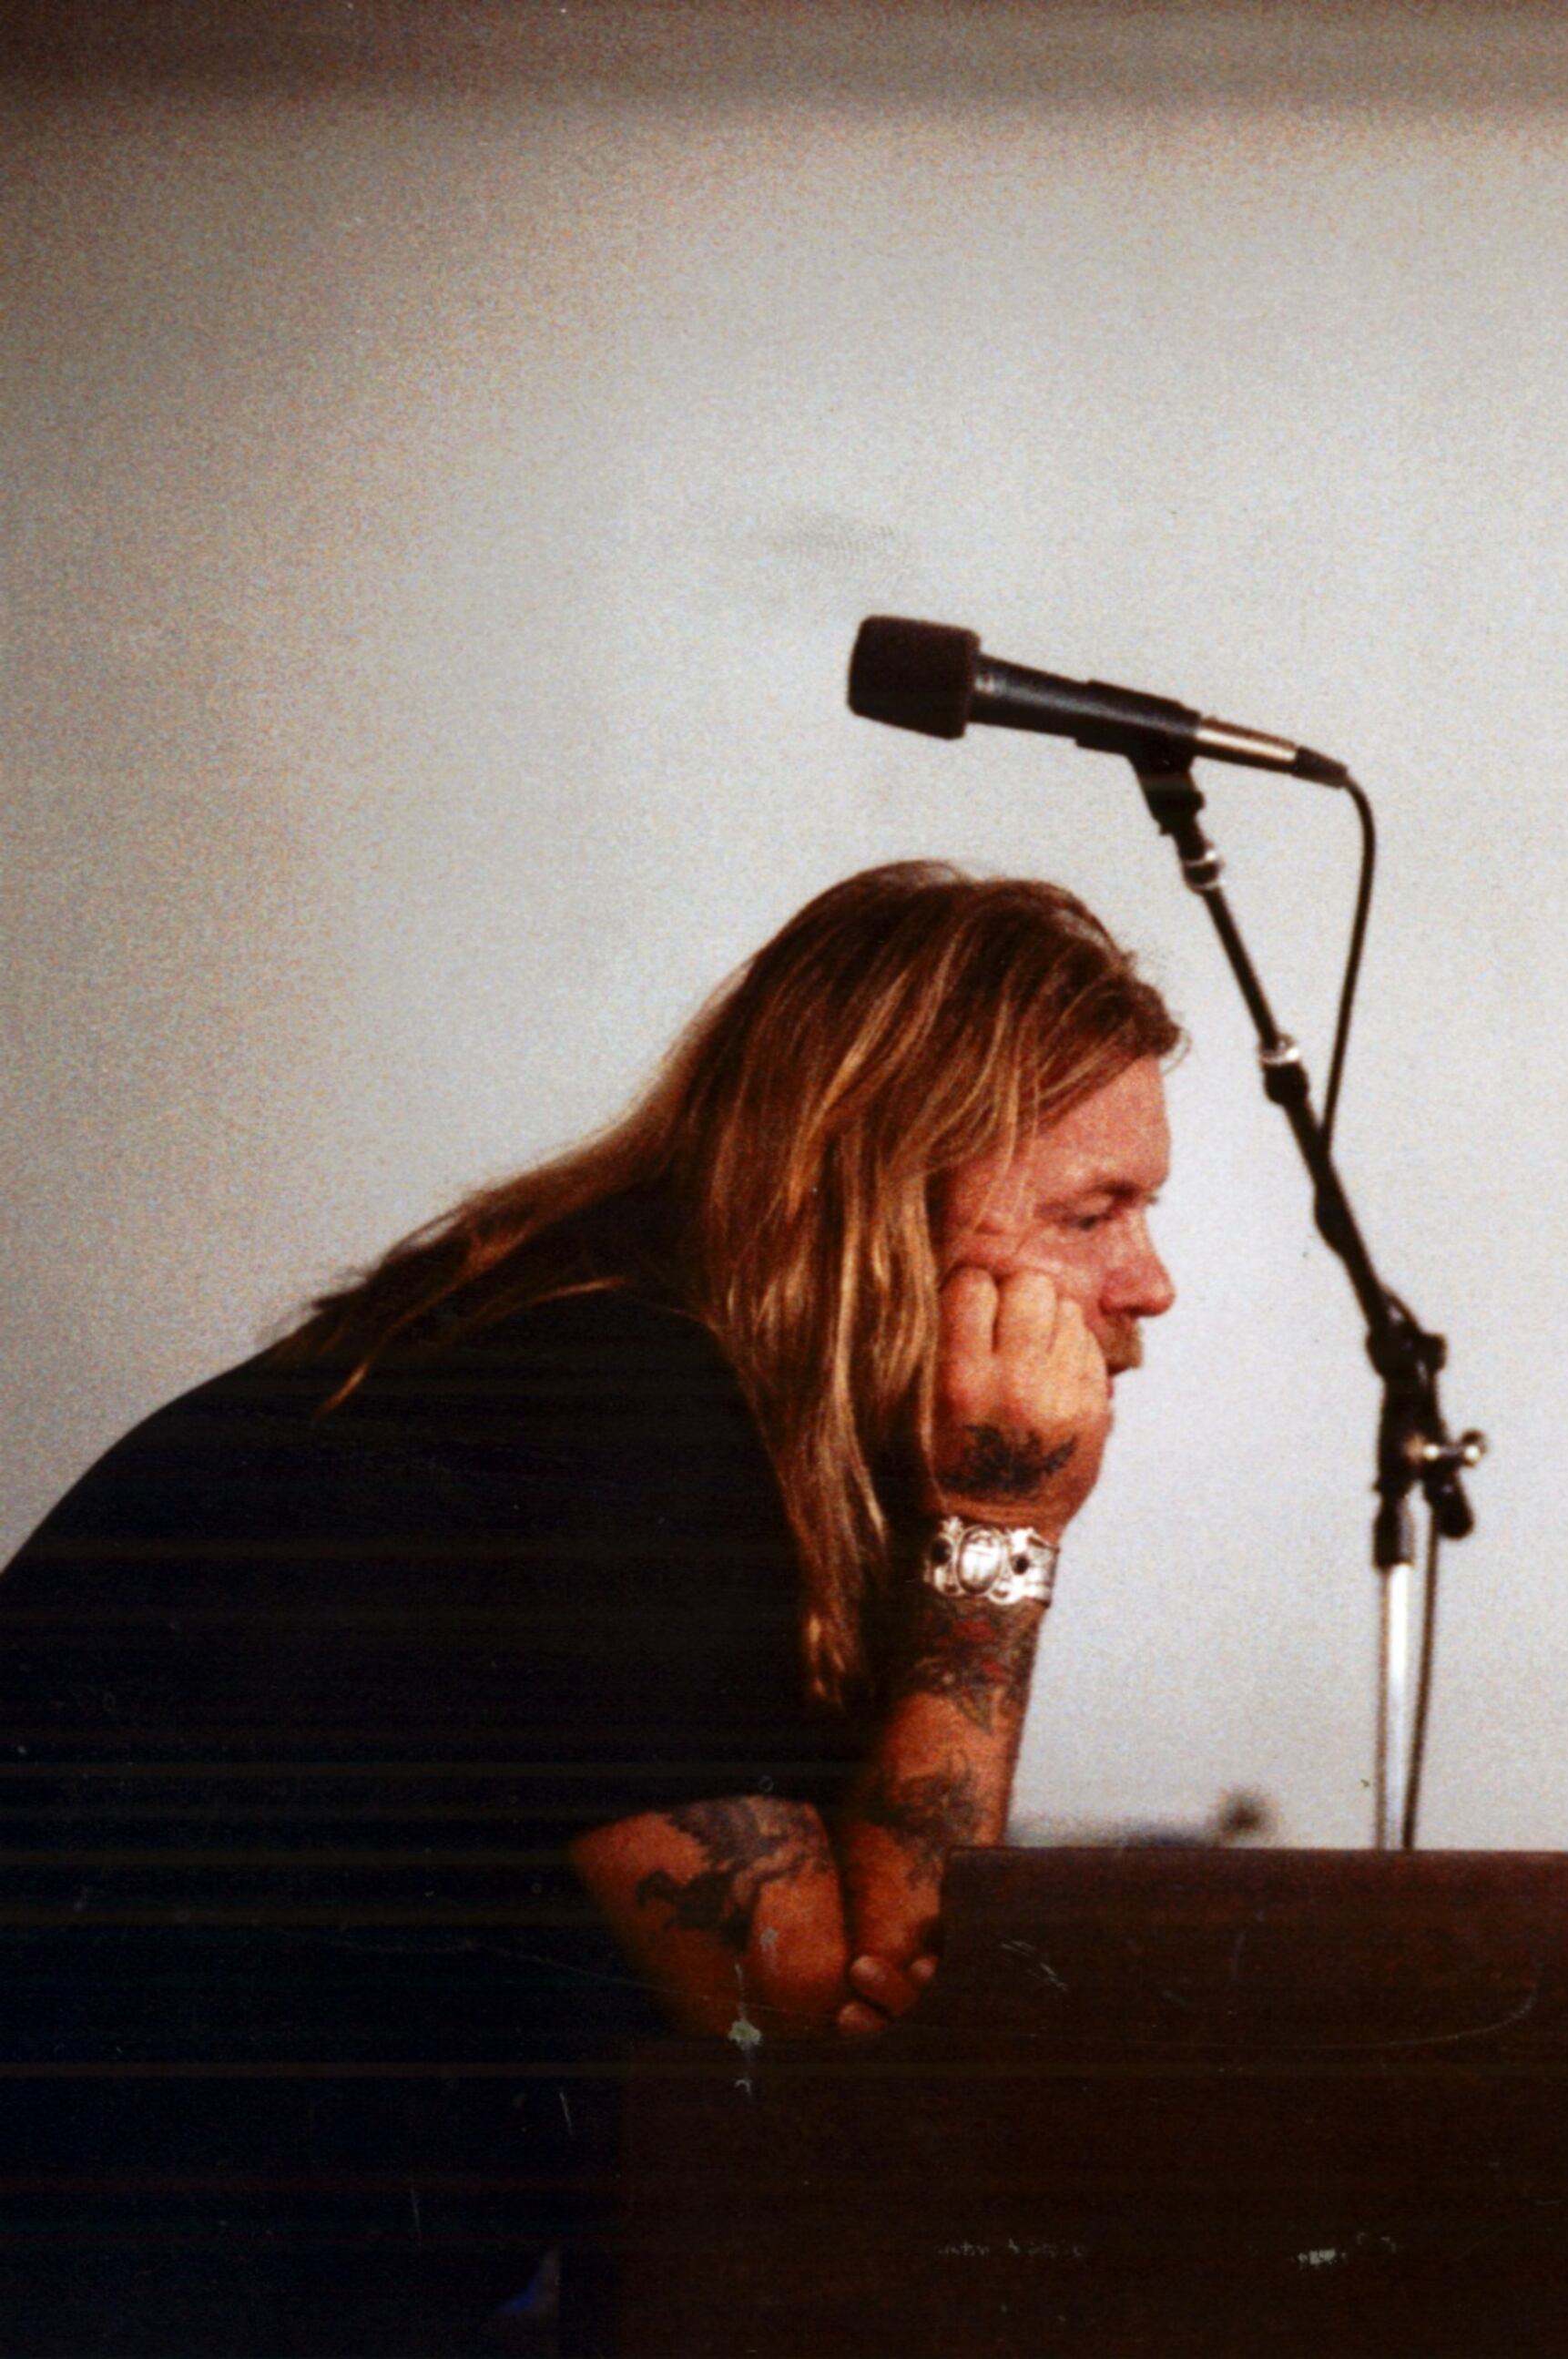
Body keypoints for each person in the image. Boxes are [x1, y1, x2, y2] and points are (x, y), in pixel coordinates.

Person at [0, 860, 1182, 2354]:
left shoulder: (640, 1343)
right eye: (1098, 1209)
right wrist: (1003, 1527)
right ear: (882, 1184)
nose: (1151, 1281)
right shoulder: (625, 1402)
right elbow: (807, 2039)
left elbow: (870, 1968)